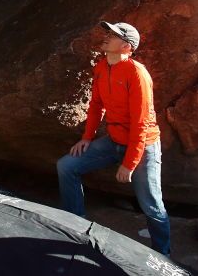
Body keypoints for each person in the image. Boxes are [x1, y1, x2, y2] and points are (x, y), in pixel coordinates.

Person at [56, 21, 171, 256]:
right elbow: (96, 104)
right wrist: (87, 137)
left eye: (114, 35)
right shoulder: (101, 67)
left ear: (127, 47)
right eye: (107, 32)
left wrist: (129, 163)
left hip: (143, 145)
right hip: (114, 140)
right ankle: (74, 226)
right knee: (66, 165)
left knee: (151, 205)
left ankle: (163, 254)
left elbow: (141, 122)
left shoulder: (137, 73)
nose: (106, 36)